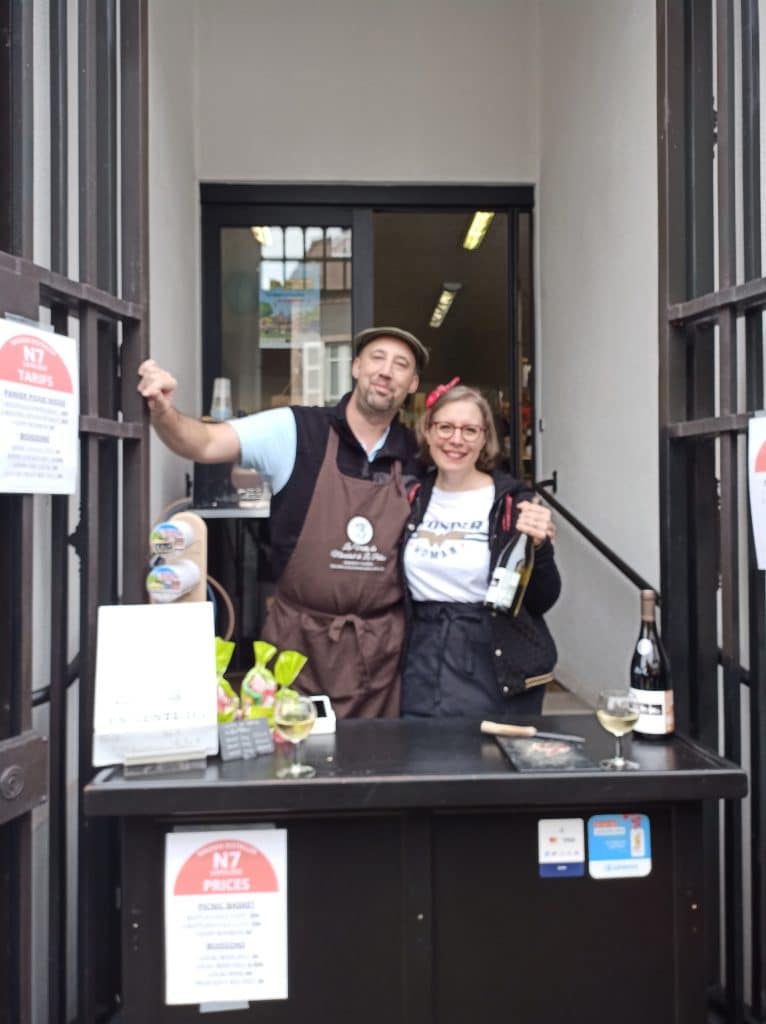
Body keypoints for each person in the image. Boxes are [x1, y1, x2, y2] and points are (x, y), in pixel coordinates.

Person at [137, 326, 428, 718]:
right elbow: (202, 442)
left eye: (401, 365)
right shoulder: (296, 430)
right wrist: (163, 410)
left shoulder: (419, 456)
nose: (386, 371)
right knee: (289, 765)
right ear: (356, 366)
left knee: (376, 769)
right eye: (377, 358)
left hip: (380, 654)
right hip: (297, 643)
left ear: (412, 384)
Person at [401, 379, 561, 717]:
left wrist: (540, 548)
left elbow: (543, 598)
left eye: (470, 430)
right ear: (427, 431)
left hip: (491, 655)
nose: (456, 440)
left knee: (489, 760)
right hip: (421, 656)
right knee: (420, 757)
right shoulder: (409, 498)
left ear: (485, 439)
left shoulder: (513, 503)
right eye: (445, 427)